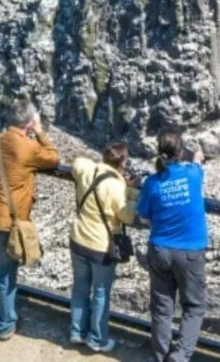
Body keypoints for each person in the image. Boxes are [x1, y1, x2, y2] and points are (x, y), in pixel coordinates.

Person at [0, 96, 60, 340]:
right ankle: (5, 324)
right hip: (5, 219)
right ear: (29, 123)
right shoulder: (28, 147)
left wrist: (28, 126)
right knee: (5, 273)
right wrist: (39, 131)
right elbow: (53, 157)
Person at [138, 130, 208, 362]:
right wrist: (197, 157)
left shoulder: (152, 182)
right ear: (180, 152)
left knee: (162, 307)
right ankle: (179, 357)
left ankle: (160, 356)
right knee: (194, 306)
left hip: (160, 249)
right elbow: (197, 165)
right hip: (190, 251)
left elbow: (144, 218)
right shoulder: (193, 173)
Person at [68, 142, 140, 353]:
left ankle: (77, 332)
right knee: (100, 293)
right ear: (123, 162)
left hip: (78, 238)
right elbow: (127, 216)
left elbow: (77, 162)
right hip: (101, 246)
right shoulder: (116, 186)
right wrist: (132, 190)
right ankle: (97, 339)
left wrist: (100, 164)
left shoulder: (87, 169)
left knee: (80, 287)